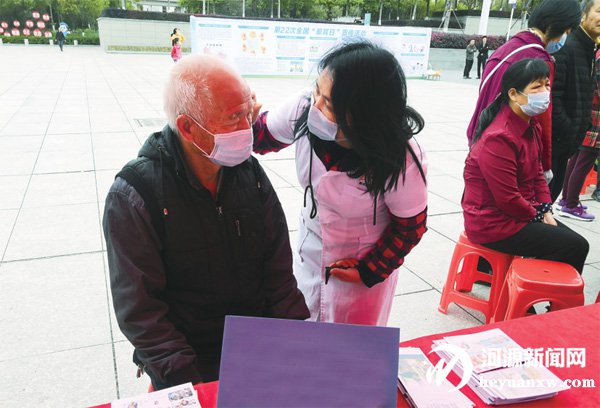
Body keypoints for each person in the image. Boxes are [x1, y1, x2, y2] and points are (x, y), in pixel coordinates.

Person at [103, 55, 309, 390]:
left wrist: (300, 344)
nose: (248, 129)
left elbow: (279, 276)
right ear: (187, 128)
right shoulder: (136, 194)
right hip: (186, 361)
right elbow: (142, 314)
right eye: (234, 118)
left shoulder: (250, 174)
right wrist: (191, 386)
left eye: (248, 113)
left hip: (257, 348)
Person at [253, 41, 428, 326]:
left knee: (352, 340)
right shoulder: (305, 106)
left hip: (361, 261)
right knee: (303, 325)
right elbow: (262, 137)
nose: (316, 107)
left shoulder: (400, 156)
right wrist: (239, 120)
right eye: (317, 91)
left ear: (367, 115)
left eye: (330, 105)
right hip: (311, 250)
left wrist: (369, 269)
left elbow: (410, 227)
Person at [463, 58, 589, 276]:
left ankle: (535, 288)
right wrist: (538, 216)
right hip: (493, 223)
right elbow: (507, 198)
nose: (545, 92)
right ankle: (535, 292)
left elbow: (538, 175)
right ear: (513, 94)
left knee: (575, 243)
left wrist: (546, 209)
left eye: (547, 85)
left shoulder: (531, 125)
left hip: (517, 214)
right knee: (575, 246)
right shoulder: (499, 137)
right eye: (536, 87)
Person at [466, 0, 582, 178]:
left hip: (480, 138)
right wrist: (545, 165)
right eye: (566, 32)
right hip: (511, 148)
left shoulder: (505, 49)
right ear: (552, 26)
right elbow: (542, 116)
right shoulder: (538, 61)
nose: (564, 39)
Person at [553, 0, 600, 219]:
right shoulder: (569, 47)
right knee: (583, 160)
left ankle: (567, 201)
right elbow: (555, 96)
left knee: (576, 160)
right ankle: (570, 203)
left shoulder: (589, 49)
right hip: (575, 129)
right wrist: (570, 128)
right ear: (583, 16)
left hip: (578, 129)